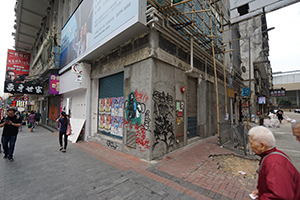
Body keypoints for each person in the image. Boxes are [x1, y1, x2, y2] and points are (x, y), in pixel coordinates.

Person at [249, 126, 300, 199]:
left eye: (251, 143)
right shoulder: (274, 155)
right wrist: (261, 191)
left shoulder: (273, 163)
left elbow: (280, 196)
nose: (250, 146)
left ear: (262, 145)